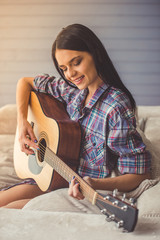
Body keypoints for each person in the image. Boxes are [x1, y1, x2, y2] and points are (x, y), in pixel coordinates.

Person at [0, 23, 151, 209]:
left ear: (95, 54)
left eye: (76, 62)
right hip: (53, 175)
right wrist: (22, 123)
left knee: (7, 213)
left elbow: (140, 174)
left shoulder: (116, 107)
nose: (70, 74)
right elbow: (24, 83)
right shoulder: (71, 91)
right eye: (63, 68)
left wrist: (93, 184)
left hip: (74, 191)